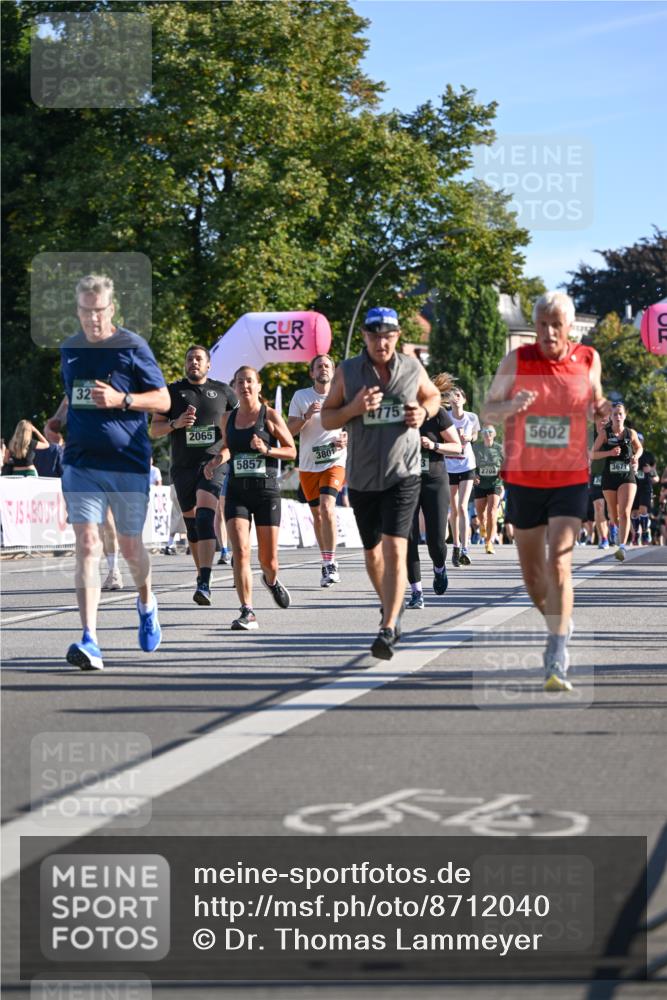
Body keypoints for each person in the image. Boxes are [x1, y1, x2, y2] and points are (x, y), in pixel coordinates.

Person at [482, 290, 609, 692]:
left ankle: (556, 651)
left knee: (560, 563)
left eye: (557, 325)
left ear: (569, 327)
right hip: (524, 477)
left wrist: (601, 409)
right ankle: (560, 619)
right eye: (542, 325)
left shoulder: (588, 359)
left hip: (570, 477)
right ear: (535, 327)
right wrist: (512, 407)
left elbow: (596, 400)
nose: (549, 332)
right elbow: (487, 409)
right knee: (535, 578)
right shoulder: (517, 361)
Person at [52, 273, 170, 671]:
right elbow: (75, 392)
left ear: (112, 309)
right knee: (87, 544)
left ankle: (146, 601)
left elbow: (165, 399)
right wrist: (57, 418)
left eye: (99, 311)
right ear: (78, 311)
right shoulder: (70, 349)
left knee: (132, 547)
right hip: (82, 462)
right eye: (86, 312)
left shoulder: (132, 347)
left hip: (128, 463)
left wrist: (123, 398)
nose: (93, 320)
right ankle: (90, 639)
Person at [321, 306, 440, 659]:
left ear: (397, 336)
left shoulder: (412, 367)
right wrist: (353, 409)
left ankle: (388, 627)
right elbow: (327, 418)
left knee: (394, 547)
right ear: (365, 337)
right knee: (372, 554)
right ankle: (391, 602)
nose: (381, 342)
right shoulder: (347, 371)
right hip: (361, 477)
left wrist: (424, 412)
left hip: (403, 472)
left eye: (387, 335)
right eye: (374, 335)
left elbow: (431, 396)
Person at [205, 365, 296, 630]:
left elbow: (291, 451)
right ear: (234, 388)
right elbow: (228, 449)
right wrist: (215, 462)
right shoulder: (227, 418)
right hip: (236, 492)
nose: (244, 386)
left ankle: (271, 580)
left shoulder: (269, 415)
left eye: (249, 381)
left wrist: (266, 449)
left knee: (269, 561)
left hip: (266, 492)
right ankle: (248, 611)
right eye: (240, 382)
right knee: (241, 552)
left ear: (258, 386)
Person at [150, 346, 237, 605]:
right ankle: (202, 576)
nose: (194, 362)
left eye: (199, 359)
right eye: (190, 359)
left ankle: (205, 582)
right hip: (182, 467)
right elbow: (154, 429)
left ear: (208, 365)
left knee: (205, 516)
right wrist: (176, 423)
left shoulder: (224, 392)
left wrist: (224, 454)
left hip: (213, 462)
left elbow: (238, 430)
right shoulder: (171, 392)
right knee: (192, 527)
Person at [288, 354, 347, 588]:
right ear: (312, 373)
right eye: (319, 366)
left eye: (327, 366)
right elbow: (289, 431)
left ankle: (331, 563)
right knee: (317, 515)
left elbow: (354, 426)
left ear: (333, 372)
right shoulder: (301, 397)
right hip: (308, 465)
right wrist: (306, 416)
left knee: (326, 507)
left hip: (335, 461)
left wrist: (346, 438)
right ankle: (325, 561)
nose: (323, 369)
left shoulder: (342, 396)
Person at [405, 371, 462, 609]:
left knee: (436, 540)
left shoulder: (437, 413)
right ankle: (416, 592)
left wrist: (434, 445)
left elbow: (457, 446)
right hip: (405, 481)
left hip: (434, 480)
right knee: (407, 539)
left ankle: (439, 567)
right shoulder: (398, 413)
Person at [592, 403, 642, 562]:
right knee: (613, 515)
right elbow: (592, 454)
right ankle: (614, 527)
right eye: (615, 414)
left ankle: (622, 547)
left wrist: (636, 457)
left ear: (625, 416)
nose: (618, 417)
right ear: (611, 417)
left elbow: (639, 448)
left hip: (627, 476)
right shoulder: (604, 433)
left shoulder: (630, 433)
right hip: (610, 477)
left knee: (625, 512)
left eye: (620, 414)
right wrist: (610, 452)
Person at [445, 387, 480, 567]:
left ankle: (465, 548)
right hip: (449, 465)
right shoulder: (445, 417)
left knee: (463, 506)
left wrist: (470, 438)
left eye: (458, 395)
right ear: (448, 401)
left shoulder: (472, 417)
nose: (455, 398)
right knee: (454, 508)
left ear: (464, 399)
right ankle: (456, 546)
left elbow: (475, 434)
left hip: (467, 465)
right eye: (452, 396)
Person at [472, 425, 505, 555]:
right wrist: (474, 474)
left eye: (490, 431)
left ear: (494, 434)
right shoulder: (476, 448)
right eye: (485, 431)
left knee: (492, 512)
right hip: (480, 484)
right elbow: (470, 463)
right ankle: (482, 526)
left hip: (495, 483)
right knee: (481, 515)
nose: (487, 433)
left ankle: (489, 542)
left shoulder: (499, 449)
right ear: (482, 434)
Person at [631, 434, 658, 546]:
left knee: (643, 510)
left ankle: (645, 532)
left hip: (645, 487)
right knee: (634, 512)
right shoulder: (628, 454)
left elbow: (655, 475)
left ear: (642, 442)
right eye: (636, 440)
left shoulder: (648, 455)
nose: (638, 442)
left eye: (640, 440)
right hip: (632, 487)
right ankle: (636, 533)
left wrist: (650, 469)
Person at [589, 416, 609, 549]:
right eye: (600, 418)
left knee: (615, 509)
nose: (603, 420)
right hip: (596, 474)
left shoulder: (613, 433)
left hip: (613, 474)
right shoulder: (589, 434)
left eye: (606, 418)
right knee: (599, 506)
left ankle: (613, 526)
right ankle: (604, 538)